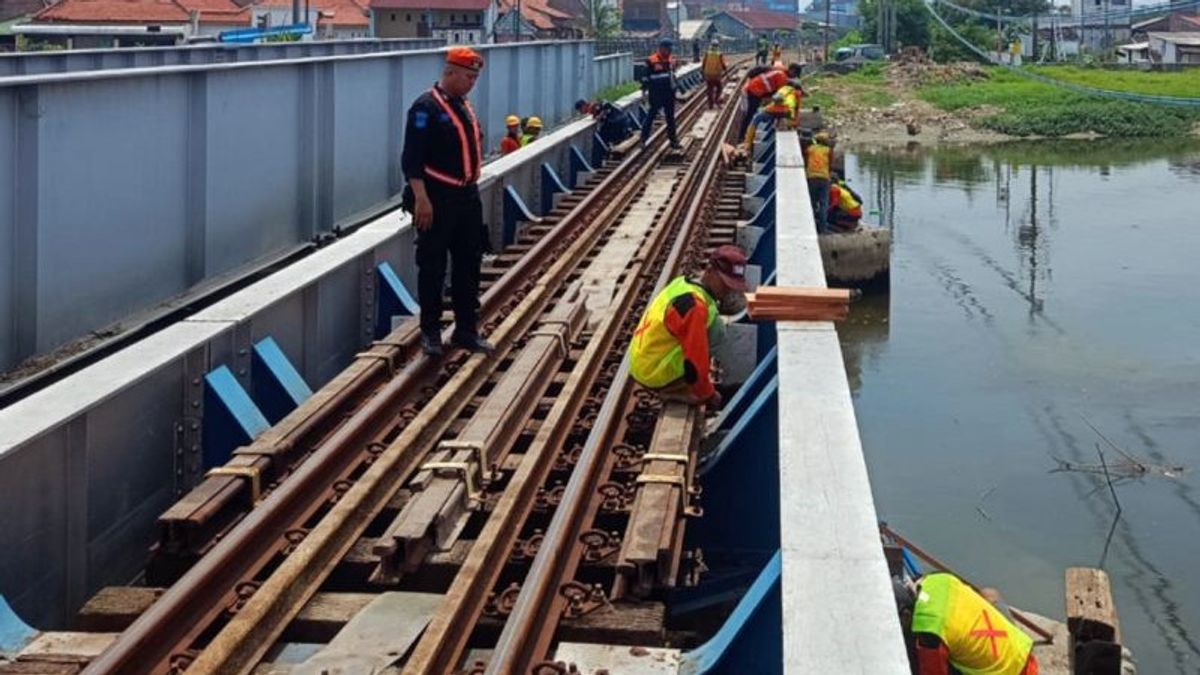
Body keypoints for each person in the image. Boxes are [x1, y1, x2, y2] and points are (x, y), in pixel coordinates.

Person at [401, 46, 494, 357]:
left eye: (474, 77)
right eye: (468, 77)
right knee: (432, 264)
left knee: (469, 261)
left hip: (467, 196)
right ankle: (431, 332)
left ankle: (466, 330)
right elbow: (411, 159)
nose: (472, 83)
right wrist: (421, 199)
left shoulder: (463, 106)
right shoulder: (425, 108)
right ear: (450, 73)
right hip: (436, 197)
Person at [629, 245, 749, 406]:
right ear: (709, 271)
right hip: (655, 371)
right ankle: (674, 390)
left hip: (644, 361)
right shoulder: (694, 307)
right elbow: (695, 364)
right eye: (725, 284)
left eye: (732, 286)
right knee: (707, 389)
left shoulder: (683, 284)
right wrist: (709, 396)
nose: (728, 290)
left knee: (715, 327)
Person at [895, 573, 1039, 675]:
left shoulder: (929, 632)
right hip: (1022, 653)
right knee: (989, 594)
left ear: (907, 615)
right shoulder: (938, 580)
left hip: (1008, 672)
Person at [738, 62, 802, 142]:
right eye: (795, 75)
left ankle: (744, 134)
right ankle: (742, 136)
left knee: (753, 114)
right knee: (751, 115)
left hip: (754, 88)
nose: (794, 77)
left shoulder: (780, 70)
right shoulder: (782, 77)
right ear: (792, 71)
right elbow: (779, 97)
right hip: (754, 91)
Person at [640, 39, 681, 149]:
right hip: (656, 94)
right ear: (662, 48)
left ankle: (674, 142)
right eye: (668, 48)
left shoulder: (671, 60)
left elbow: (673, 75)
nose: (670, 51)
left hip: (669, 94)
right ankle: (643, 140)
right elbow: (644, 78)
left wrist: (676, 89)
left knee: (670, 118)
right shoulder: (651, 60)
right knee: (651, 116)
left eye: (671, 49)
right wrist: (643, 93)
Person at [807, 130, 833, 233]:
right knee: (823, 204)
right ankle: (823, 228)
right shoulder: (828, 150)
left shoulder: (810, 149)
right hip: (824, 178)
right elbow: (830, 165)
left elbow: (806, 160)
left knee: (812, 202)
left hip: (811, 177)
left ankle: (811, 226)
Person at [700, 39, 727, 109]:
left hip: (708, 74)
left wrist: (703, 72)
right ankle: (716, 100)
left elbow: (703, 63)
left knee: (709, 89)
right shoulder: (719, 54)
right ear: (718, 45)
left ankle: (710, 105)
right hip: (717, 74)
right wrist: (725, 69)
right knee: (719, 88)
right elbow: (723, 64)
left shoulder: (707, 53)